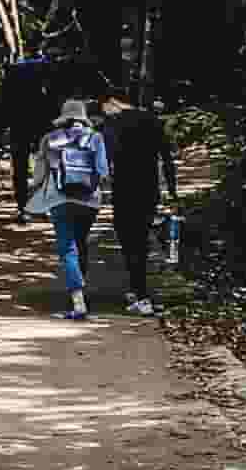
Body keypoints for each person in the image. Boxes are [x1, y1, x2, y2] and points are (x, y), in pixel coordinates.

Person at [98, 89, 180, 314]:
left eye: (104, 106)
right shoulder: (152, 120)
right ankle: (138, 290)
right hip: (149, 188)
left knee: (128, 241)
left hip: (124, 189)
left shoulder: (113, 124)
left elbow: (105, 156)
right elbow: (166, 157)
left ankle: (141, 295)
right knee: (141, 240)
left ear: (113, 102)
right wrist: (172, 189)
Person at [34, 98, 110, 320]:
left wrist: (32, 193)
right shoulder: (95, 138)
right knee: (80, 242)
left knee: (68, 247)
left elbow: (39, 175)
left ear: (63, 118)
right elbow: (103, 171)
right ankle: (80, 292)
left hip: (59, 199)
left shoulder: (49, 139)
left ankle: (77, 300)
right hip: (89, 201)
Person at [0, 40, 66, 218]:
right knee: (44, 164)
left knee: (22, 166)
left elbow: (3, 105)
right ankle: (38, 205)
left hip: (23, 124)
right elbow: (57, 101)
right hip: (41, 124)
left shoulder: (15, 70)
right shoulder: (53, 69)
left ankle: (25, 207)